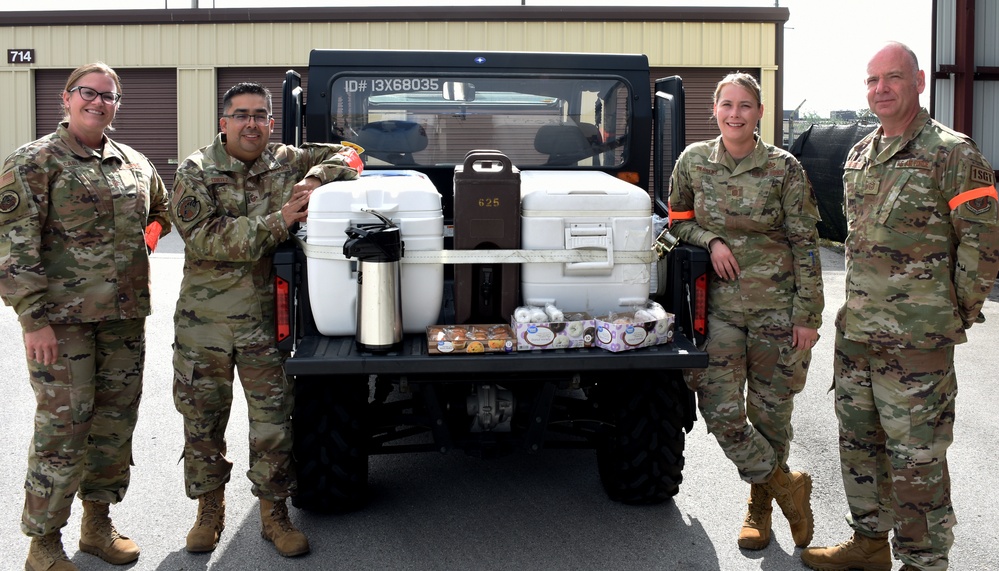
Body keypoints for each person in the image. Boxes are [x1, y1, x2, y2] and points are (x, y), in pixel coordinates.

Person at [801, 42, 999, 571]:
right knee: (859, 444)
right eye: (871, 80)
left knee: (917, 460)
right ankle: (869, 544)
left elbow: (982, 246)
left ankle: (923, 561)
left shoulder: (954, 153)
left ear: (917, 84)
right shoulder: (861, 154)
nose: (880, 89)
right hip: (859, 333)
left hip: (917, 345)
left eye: (892, 77)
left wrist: (951, 317)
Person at [170, 82, 362, 557]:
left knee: (274, 423)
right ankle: (208, 511)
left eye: (260, 115)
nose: (250, 123)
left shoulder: (285, 160)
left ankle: (274, 514)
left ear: (271, 124)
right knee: (202, 423)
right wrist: (282, 220)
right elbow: (206, 239)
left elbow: (353, 154)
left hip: (266, 320)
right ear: (224, 122)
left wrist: (316, 179)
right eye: (240, 115)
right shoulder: (195, 171)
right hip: (205, 324)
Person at [0, 62, 171, 571]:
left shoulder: (134, 163)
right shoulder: (34, 162)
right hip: (62, 326)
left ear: (118, 105)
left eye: (109, 96)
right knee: (63, 431)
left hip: (123, 322)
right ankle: (44, 544)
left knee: (114, 426)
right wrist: (33, 319)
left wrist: (152, 234)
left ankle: (97, 524)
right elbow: (12, 248)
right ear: (66, 98)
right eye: (88, 93)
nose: (98, 102)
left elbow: (163, 208)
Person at [667, 72, 824, 552]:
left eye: (745, 106)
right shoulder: (693, 161)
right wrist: (710, 240)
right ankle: (785, 485)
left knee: (771, 416)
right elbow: (675, 223)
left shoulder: (784, 168)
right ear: (715, 110)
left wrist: (808, 317)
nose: (735, 114)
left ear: (759, 112)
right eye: (727, 105)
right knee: (720, 410)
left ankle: (761, 505)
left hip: (779, 311)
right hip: (721, 311)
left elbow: (805, 243)